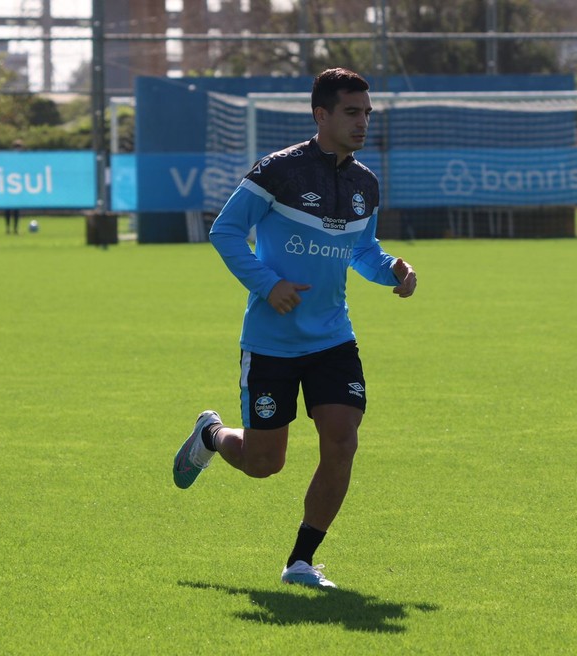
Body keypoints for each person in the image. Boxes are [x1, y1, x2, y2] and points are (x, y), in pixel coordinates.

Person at [172, 68, 417, 589]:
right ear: (321, 114)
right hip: (272, 343)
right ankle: (211, 435)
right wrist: (268, 284)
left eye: (367, 113)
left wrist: (393, 269)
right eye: (351, 112)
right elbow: (226, 231)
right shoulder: (278, 170)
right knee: (264, 463)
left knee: (342, 443)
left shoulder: (365, 183)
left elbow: (363, 252)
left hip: (333, 339)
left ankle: (300, 562)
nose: (362, 122)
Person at [4, 139, 24, 234]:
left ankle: (15, 228)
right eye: (17, 147)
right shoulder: (9, 159)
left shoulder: (22, 159)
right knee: (7, 208)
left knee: (16, 209)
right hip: (9, 185)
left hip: (17, 186)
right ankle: (8, 228)